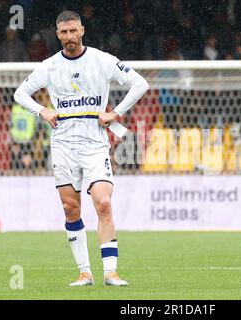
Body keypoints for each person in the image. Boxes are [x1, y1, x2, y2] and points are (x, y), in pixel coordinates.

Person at [14, 11, 149, 287]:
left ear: (82, 30)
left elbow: (140, 83)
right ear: (57, 34)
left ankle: (110, 272)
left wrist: (117, 113)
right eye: (63, 33)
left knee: (103, 202)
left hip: (95, 143)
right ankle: (84, 272)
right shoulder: (49, 66)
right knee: (70, 207)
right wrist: (42, 111)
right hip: (63, 144)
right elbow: (19, 94)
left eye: (73, 31)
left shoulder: (102, 60)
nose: (69, 37)